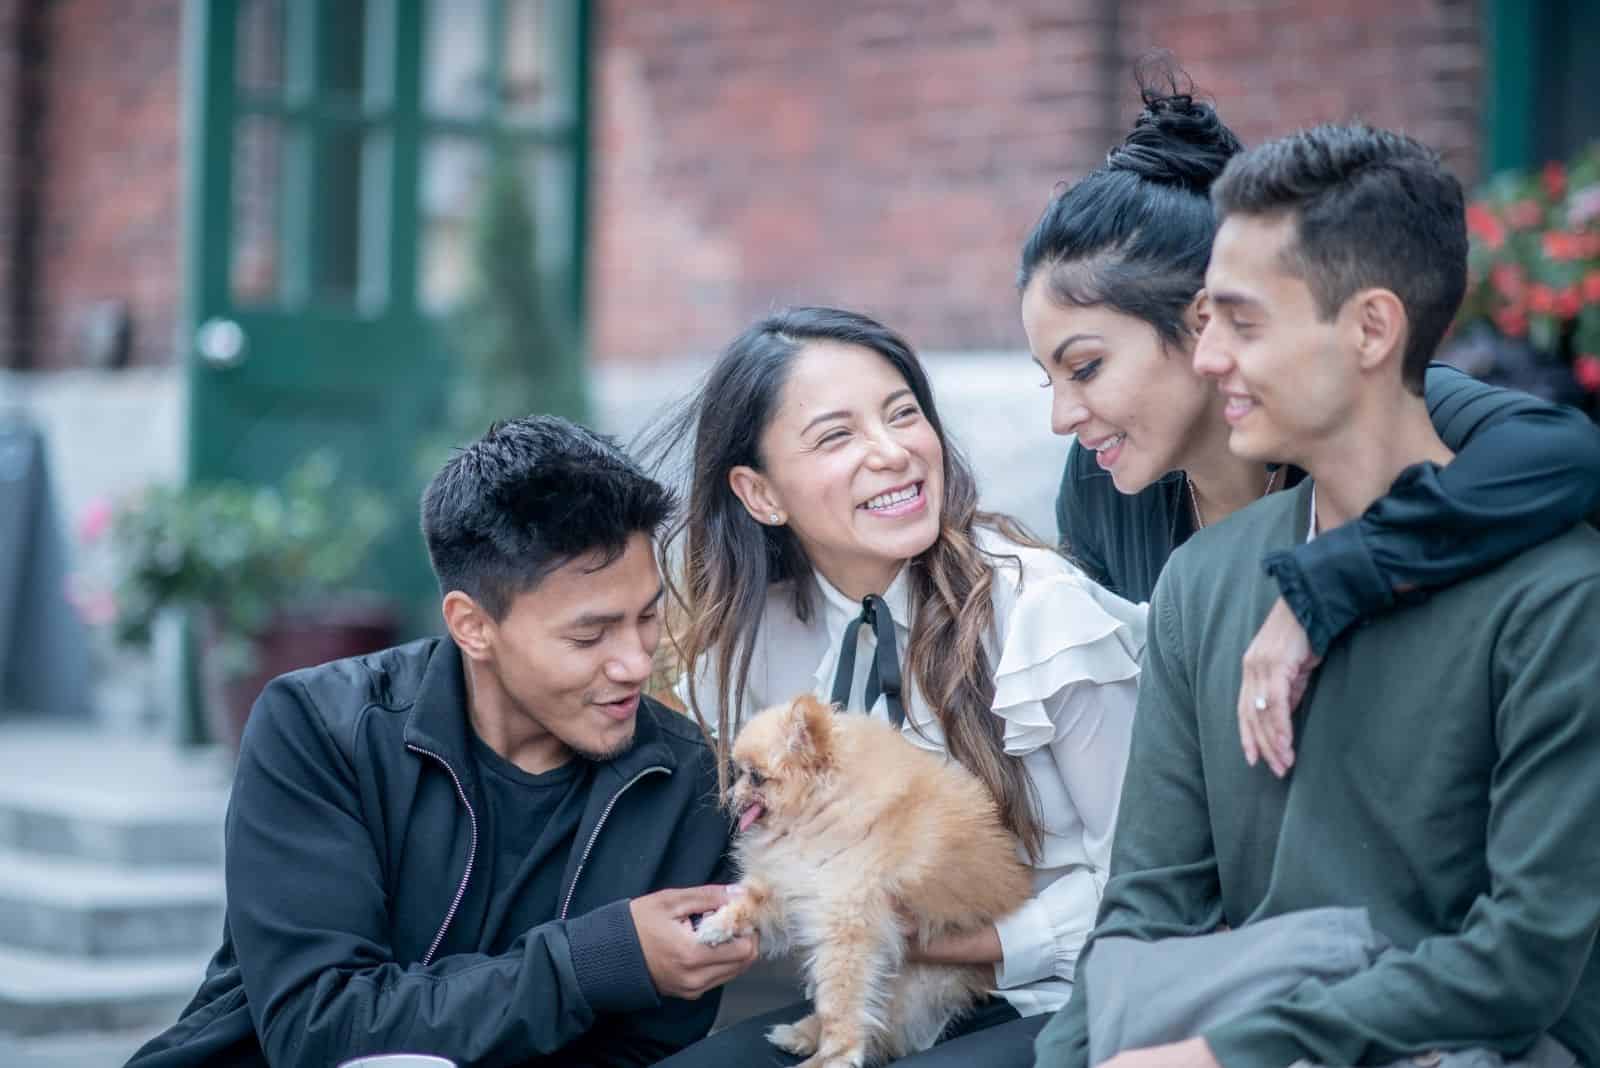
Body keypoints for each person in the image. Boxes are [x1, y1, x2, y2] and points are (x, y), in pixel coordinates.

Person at [1033, 123, 1600, 1068]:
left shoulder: (1557, 598)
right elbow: (1142, 920)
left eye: (1242, 323)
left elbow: (1522, 967)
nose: (1208, 356)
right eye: (1206, 319)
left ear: (1373, 329)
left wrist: (1231, 1054)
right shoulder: (1202, 585)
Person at [1018, 65, 1600, 778]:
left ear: (1202, 319)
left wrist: (1327, 581)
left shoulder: (1373, 417)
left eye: (1085, 369)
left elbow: (1566, 452)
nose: (1060, 417)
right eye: (1050, 379)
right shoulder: (1100, 486)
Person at [126, 416, 758, 1068]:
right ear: (472, 625)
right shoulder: (320, 728)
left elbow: (635, 1054)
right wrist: (597, 959)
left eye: (648, 616)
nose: (634, 662)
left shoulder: (687, 782)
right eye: (590, 635)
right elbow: (321, 1030)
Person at [652, 307, 1145, 1067]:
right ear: (760, 493)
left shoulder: (1041, 613)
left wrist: (975, 943)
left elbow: (1149, 879)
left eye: (903, 414)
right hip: (884, 999)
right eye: (836, 436)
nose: (892, 453)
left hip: (1068, 992)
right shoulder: (754, 648)